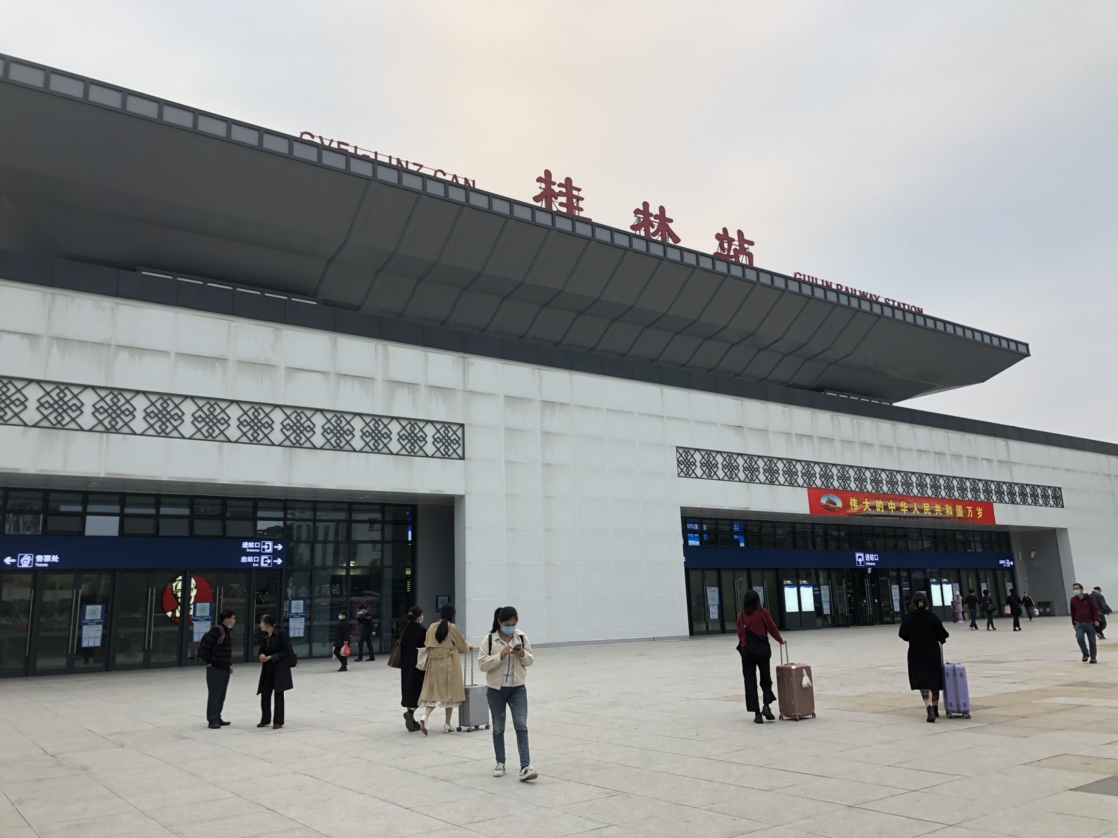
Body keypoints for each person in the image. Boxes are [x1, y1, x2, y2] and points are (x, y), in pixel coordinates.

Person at [478, 606, 537, 782]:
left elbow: (530, 660)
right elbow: (482, 665)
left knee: (521, 724)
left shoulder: (521, 637)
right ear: (500, 623)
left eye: (513, 624)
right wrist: (500, 657)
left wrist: (522, 654)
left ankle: (525, 766)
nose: (510, 627)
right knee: (498, 726)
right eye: (507, 624)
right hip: (496, 689)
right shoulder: (490, 640)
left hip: (517, 688)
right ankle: (500, 762)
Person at [417, 603, 473, 735]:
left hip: (434, 663)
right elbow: (461, 644)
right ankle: (447, 723)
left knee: (433, 692)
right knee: (450, 693)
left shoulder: (431, 626)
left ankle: (426, 716)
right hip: (449, 663)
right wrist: (468, 647)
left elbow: (426, 643)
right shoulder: (452, 627)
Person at [736, 590, 786, 725]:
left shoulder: (741, 616)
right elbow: (772, 628)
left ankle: (757, 713)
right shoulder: (763, 613)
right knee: (766, 678)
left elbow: (740, 634)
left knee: (750, 681)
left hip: (747, 652)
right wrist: (780, 640)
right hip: (762, 651)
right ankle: (766, 706)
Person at [898, 592, 949, 723]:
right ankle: (936, 707)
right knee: (934, 679)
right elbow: (943, 635)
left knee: (923, 681)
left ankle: (929, 707)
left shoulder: (908, 618)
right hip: (932, 652)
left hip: (916, 653)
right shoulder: (932, 617)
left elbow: (903, 634)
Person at [197, 609, 236, 729]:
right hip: (215, 668)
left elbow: (226, 650)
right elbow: (205, 648)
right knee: (214, 694)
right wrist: (209, 662)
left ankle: (218, 717)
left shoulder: (227, 631)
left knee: (221, 694)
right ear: (226, 619)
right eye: (233, 618)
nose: (234, 620)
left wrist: (229, 664)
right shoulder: (217, 630)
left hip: (224, 668)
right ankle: (212, 719)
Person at [256, 614, 293, 729]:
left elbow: (287, 650)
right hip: (267, 668)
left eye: (261, 622)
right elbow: (261, 649)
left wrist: (272, 657)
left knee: (278, 694)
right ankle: (265, 719)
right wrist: (261, 655)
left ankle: (278, 721)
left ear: (267, 624)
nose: (260, 625)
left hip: (279, 668)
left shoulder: (281, 633)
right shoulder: (265, 635)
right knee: (265, 693)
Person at [399, 606, 427, 732]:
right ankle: (410, 713)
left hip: (405, 664)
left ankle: (411, 716)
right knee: (418, 689)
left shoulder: (405, 629)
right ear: (419, 616)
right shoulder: (422, 630)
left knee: (408, 688)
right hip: (418, 665)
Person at [1071, 583, 1101, 663]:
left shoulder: (1089, 599)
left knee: (1092, 641)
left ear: (1081, 589)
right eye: (1074, 589)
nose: (1075, 590)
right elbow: (1072, 612)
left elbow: (1095, 609)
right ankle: (1085, 653)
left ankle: (1093, 657)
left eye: (1077, 588)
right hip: (1079, 623)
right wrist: (1073, 623)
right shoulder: (1073, 600)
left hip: (1089, 622)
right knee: (1079, 638)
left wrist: (1096, 620)